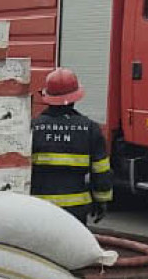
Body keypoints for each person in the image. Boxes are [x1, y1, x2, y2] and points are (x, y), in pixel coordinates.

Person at [30, 67, 113, 225]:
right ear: (75, 97)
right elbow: (101, 171)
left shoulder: (33, 127)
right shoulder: (90, 128)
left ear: (47, 96)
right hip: (76, 210)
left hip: (39, 207)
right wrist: (102, 201)